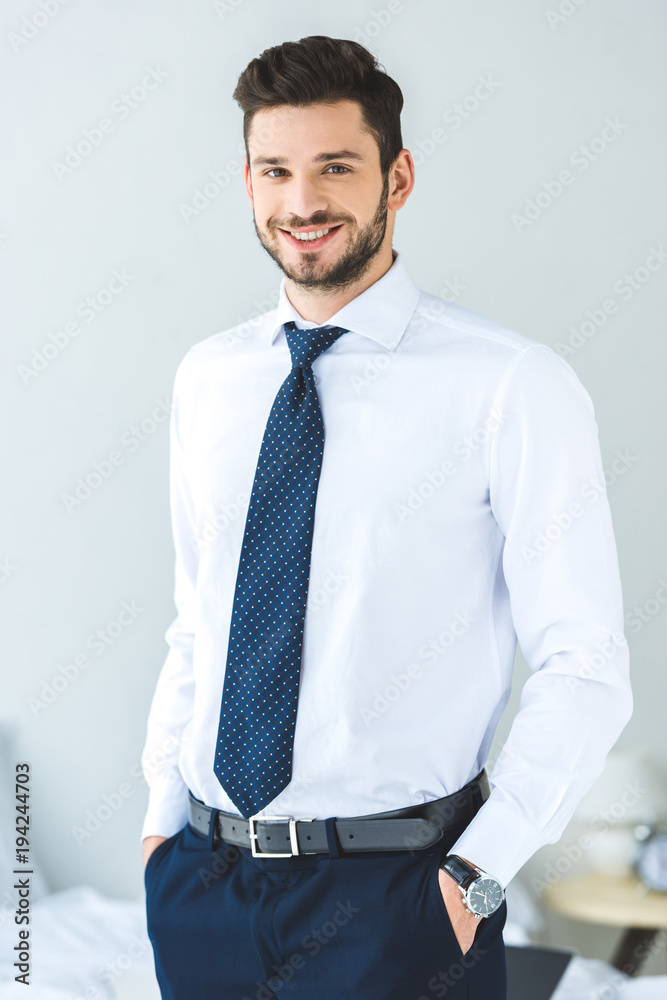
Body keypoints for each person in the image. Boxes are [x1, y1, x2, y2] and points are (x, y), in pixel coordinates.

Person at [139, 35, 632, 1000]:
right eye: (275, 170)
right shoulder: (209, 379)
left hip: (400, 900)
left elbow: (585, 664)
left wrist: (473, 877)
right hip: (204, 886)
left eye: (335, 167)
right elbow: (198, 623)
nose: (301, 202)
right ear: (247, 181)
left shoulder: (509, 385)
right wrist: (162, 828)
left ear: (396, 177)